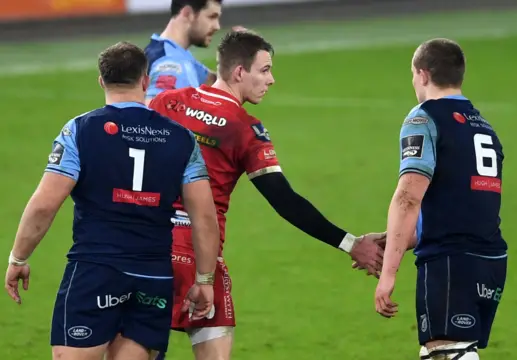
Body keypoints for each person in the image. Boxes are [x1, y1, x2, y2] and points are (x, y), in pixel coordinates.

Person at [148, 31, 385, 360]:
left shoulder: (168, 102)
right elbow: (284, 200)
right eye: (265, 70)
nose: (271, 80)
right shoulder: (245, 128)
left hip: (144, 243)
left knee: (139, 346)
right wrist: (350, 243)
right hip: (198, 250)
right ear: (240, 72)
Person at [3, 41, 220, 360]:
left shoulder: (80, 130)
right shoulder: (181, 138)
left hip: (96, 271)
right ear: (146, 80)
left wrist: (18, 258)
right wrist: (204, 279)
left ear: (101, 81)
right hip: (153, 275)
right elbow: (204, 217)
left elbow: (45, 204)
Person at [373, 38, 508, 360]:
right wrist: (395, 239)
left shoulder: (424, 118)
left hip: (450, 261)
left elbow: (408, 197)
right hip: (489, 262)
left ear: (422, 74)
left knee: (447, 352)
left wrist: (388, 274)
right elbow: (460, 203)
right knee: (448, 351)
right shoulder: (483, 128)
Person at [144, 0, 246, 105]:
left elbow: (216, 84)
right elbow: (152, 113)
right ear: (188, 14)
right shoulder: (170, 65)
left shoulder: (176, 53)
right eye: (211, 17)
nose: (217, 26)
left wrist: (236, 56)